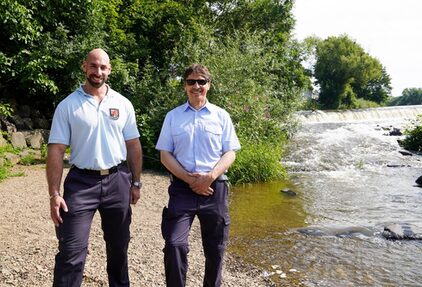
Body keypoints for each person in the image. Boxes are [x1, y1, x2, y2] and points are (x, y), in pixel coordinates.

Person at [46, 48, 143, 287]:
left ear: (109, 70)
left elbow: (133, 145)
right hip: (81, 184)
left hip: (118, 180)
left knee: (119, 249)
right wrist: (55, 194)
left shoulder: (123, 104)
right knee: (71, 251)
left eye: (103, 67)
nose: (97, 71)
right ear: (84, 67)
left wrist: (136, 182)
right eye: (93, 66)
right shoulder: (68, 106)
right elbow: (56, 150)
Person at [156, 64, 241, 287]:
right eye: (191, 81)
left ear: (209, 85)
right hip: (182, 190)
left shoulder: (221, 116)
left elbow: (230, 153)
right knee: (175, 244)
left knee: (216, 249)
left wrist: (209, 177)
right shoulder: (173, 117)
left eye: (201, 81)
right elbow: (165, 155)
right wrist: (190, 179)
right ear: (185, 85)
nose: (196, 86)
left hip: (215, 190)